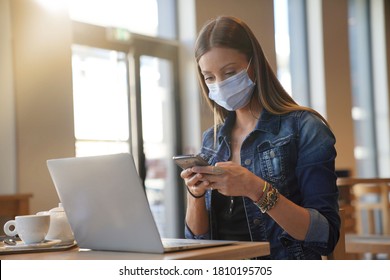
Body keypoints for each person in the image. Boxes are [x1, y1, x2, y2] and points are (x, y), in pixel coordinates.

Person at [181, 16, 340, 260]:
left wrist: (256, 189)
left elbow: (324, 236)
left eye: (230, 72)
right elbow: (197, 240)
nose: (220, 84)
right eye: (209, 77)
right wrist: (195, 195)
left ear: (253, 64)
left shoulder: (305, 128)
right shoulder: (211, 141)